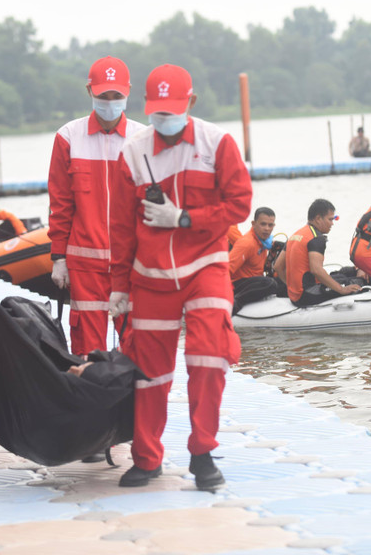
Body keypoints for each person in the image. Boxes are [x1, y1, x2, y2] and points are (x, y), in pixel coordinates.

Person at [109, 64, 252, 490]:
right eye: (156, 112)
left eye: (171, 111)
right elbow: (120, 225)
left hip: (205, 267)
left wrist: (186, 218)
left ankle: (202, 452)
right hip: (149, 275)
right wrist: (118, 286)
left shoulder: (216, 144)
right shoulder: (133, 153)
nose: (163, 121)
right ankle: (147, 458)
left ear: (190, 103)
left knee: (209, 355)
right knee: (148, 371)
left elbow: (240, 204)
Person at [48, 56, 145, 358]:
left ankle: (135, 405)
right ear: (89, 91)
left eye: (116, 96)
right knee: (87, 352)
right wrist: (58, 257)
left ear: (128, 93)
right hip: (84, 265)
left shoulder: (143, 139)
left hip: (131, 265)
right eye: (104, 95)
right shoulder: (68, 137)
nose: (110, 102)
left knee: (138, 346)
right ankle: (88, 404)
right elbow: (61, 203)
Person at [285, 199, 361, 306]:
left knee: (345, 273)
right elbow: (316, 270)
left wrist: (292, 288)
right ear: (318, 219)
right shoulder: (317, 238)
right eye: (330, 219)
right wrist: (342, 290)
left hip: (295, 294)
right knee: (354, 282)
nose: (332, 224)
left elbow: (278, 266)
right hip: (306, 295)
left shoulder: (295, 235)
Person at [229, 207, 278, 313]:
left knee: (279, 282)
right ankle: (236, 303)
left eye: (270, 225)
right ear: (253, 224)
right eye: (263, 224)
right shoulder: (246, 243)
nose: (267, 229)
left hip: (254, 281)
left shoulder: (265, 242)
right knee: (270, 284)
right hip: (237, 285)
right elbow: (225, 271)